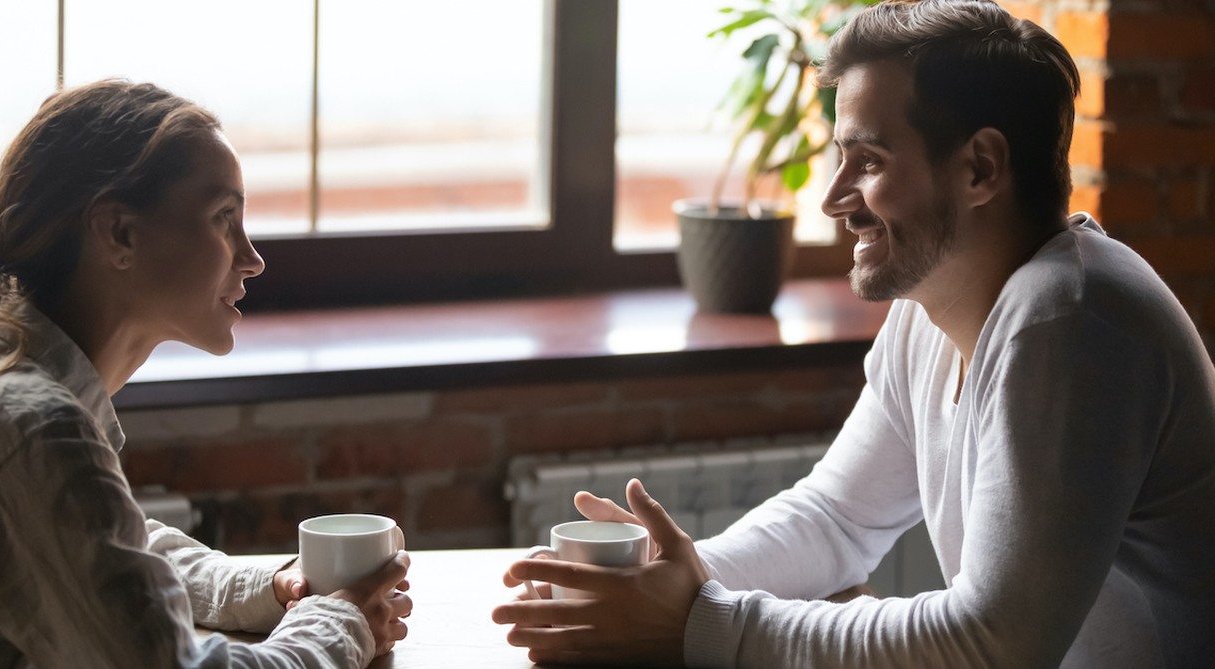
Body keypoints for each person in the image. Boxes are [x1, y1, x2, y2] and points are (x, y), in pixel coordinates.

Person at [492, 0, 1215, 666]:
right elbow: (836, 518)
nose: (835, 199)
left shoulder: (1069, 319)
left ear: (980, 168)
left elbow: (994, 643)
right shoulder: (931, 313)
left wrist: (697, 619)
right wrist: (661, 585)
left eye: (867, 162)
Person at [0, 80, 413, 667]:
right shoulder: (30, 425)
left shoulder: (19, 397)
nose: (252, 257)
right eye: (223, 217)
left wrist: (270, 588)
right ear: (119, 234)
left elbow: (106, 551)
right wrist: (340, 624)